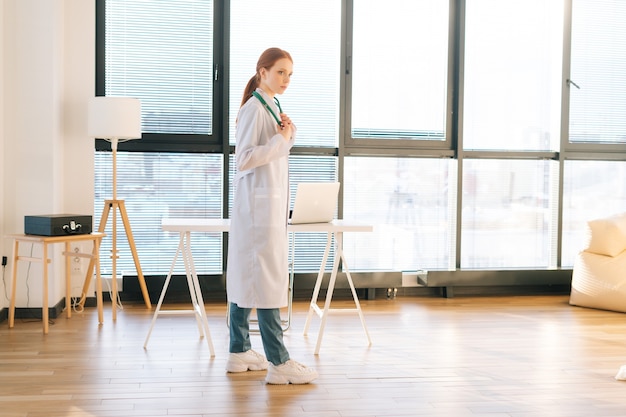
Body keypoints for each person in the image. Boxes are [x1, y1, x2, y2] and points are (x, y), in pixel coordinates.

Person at [225, 47, 318, 385]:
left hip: (266, 207)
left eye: (290, 74)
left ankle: (239, 350)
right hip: (257, 210)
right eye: (280, 72)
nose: (286, 80)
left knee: (251, 278)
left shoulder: (272, 104)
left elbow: (275, 150)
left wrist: (287, 135)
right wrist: (282, 140)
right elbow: (244, 159)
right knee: (264, 281)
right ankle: (279, 361)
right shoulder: (254, 108)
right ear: (262, 72)